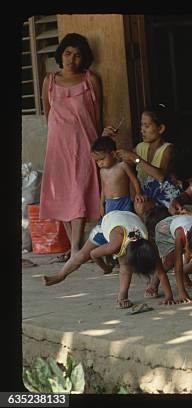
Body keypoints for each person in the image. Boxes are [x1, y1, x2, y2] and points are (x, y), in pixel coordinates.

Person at [40, 33, 103, 263]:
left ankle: (76, 247)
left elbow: (97, 116)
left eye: (77, 55)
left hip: (84, 143)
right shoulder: (49, 81)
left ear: (84, 58)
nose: (71, 59)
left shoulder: (90, 80)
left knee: (78, 191)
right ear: (61, 55)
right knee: (62, 194)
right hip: (58, 146)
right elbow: (49, 115)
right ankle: (75, 247)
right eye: (67, 53)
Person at [43, 210, 179, 309]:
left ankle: (122, 296)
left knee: (125, 267)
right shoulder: (114, 245)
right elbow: (94, 254)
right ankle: (60, 276)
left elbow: (161, 272)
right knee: (82, 256)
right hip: (108, 222)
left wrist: (169, 296)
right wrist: (105, 267)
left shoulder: (148, 247)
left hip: (129, 219)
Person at [102, 104, 181, 213]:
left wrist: (135, 158)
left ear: (161, 128)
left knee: (140, 206)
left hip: (167, 200)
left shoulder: (167, 148)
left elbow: (160, 176)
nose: (142, 130)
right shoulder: (140, 147)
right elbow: (117, 166)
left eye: (147, 126)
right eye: (142, 126)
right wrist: (105, 141)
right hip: (145, 198)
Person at [91, 136, 144, 215]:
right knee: (111, 223)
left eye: (102, 159)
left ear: (112, 154)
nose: (99, 163)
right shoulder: (102, 171)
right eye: (97, 161)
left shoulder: (123, 166)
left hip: (124, 201)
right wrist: (101, 204)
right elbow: (103, 188)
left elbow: (134, 180)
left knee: (126, 220)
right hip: (109, 203)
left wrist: (138, 193)